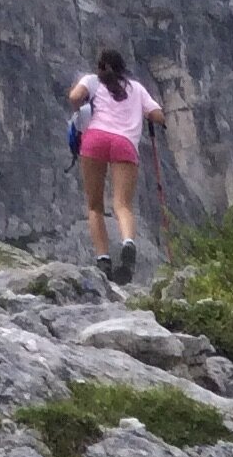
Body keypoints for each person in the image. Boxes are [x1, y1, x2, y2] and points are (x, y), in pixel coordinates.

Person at [65, 49, 161, 286]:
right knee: (123, 204)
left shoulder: (92, 81)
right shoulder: (137, 89)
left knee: (95, 206)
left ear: (100, 66)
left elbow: (75, 97)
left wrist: (82, 108)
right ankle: (128, 243)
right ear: (122, 68)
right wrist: (145, 116)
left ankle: (103, 259)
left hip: (95, 139)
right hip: (125, 143)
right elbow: (158, 115)